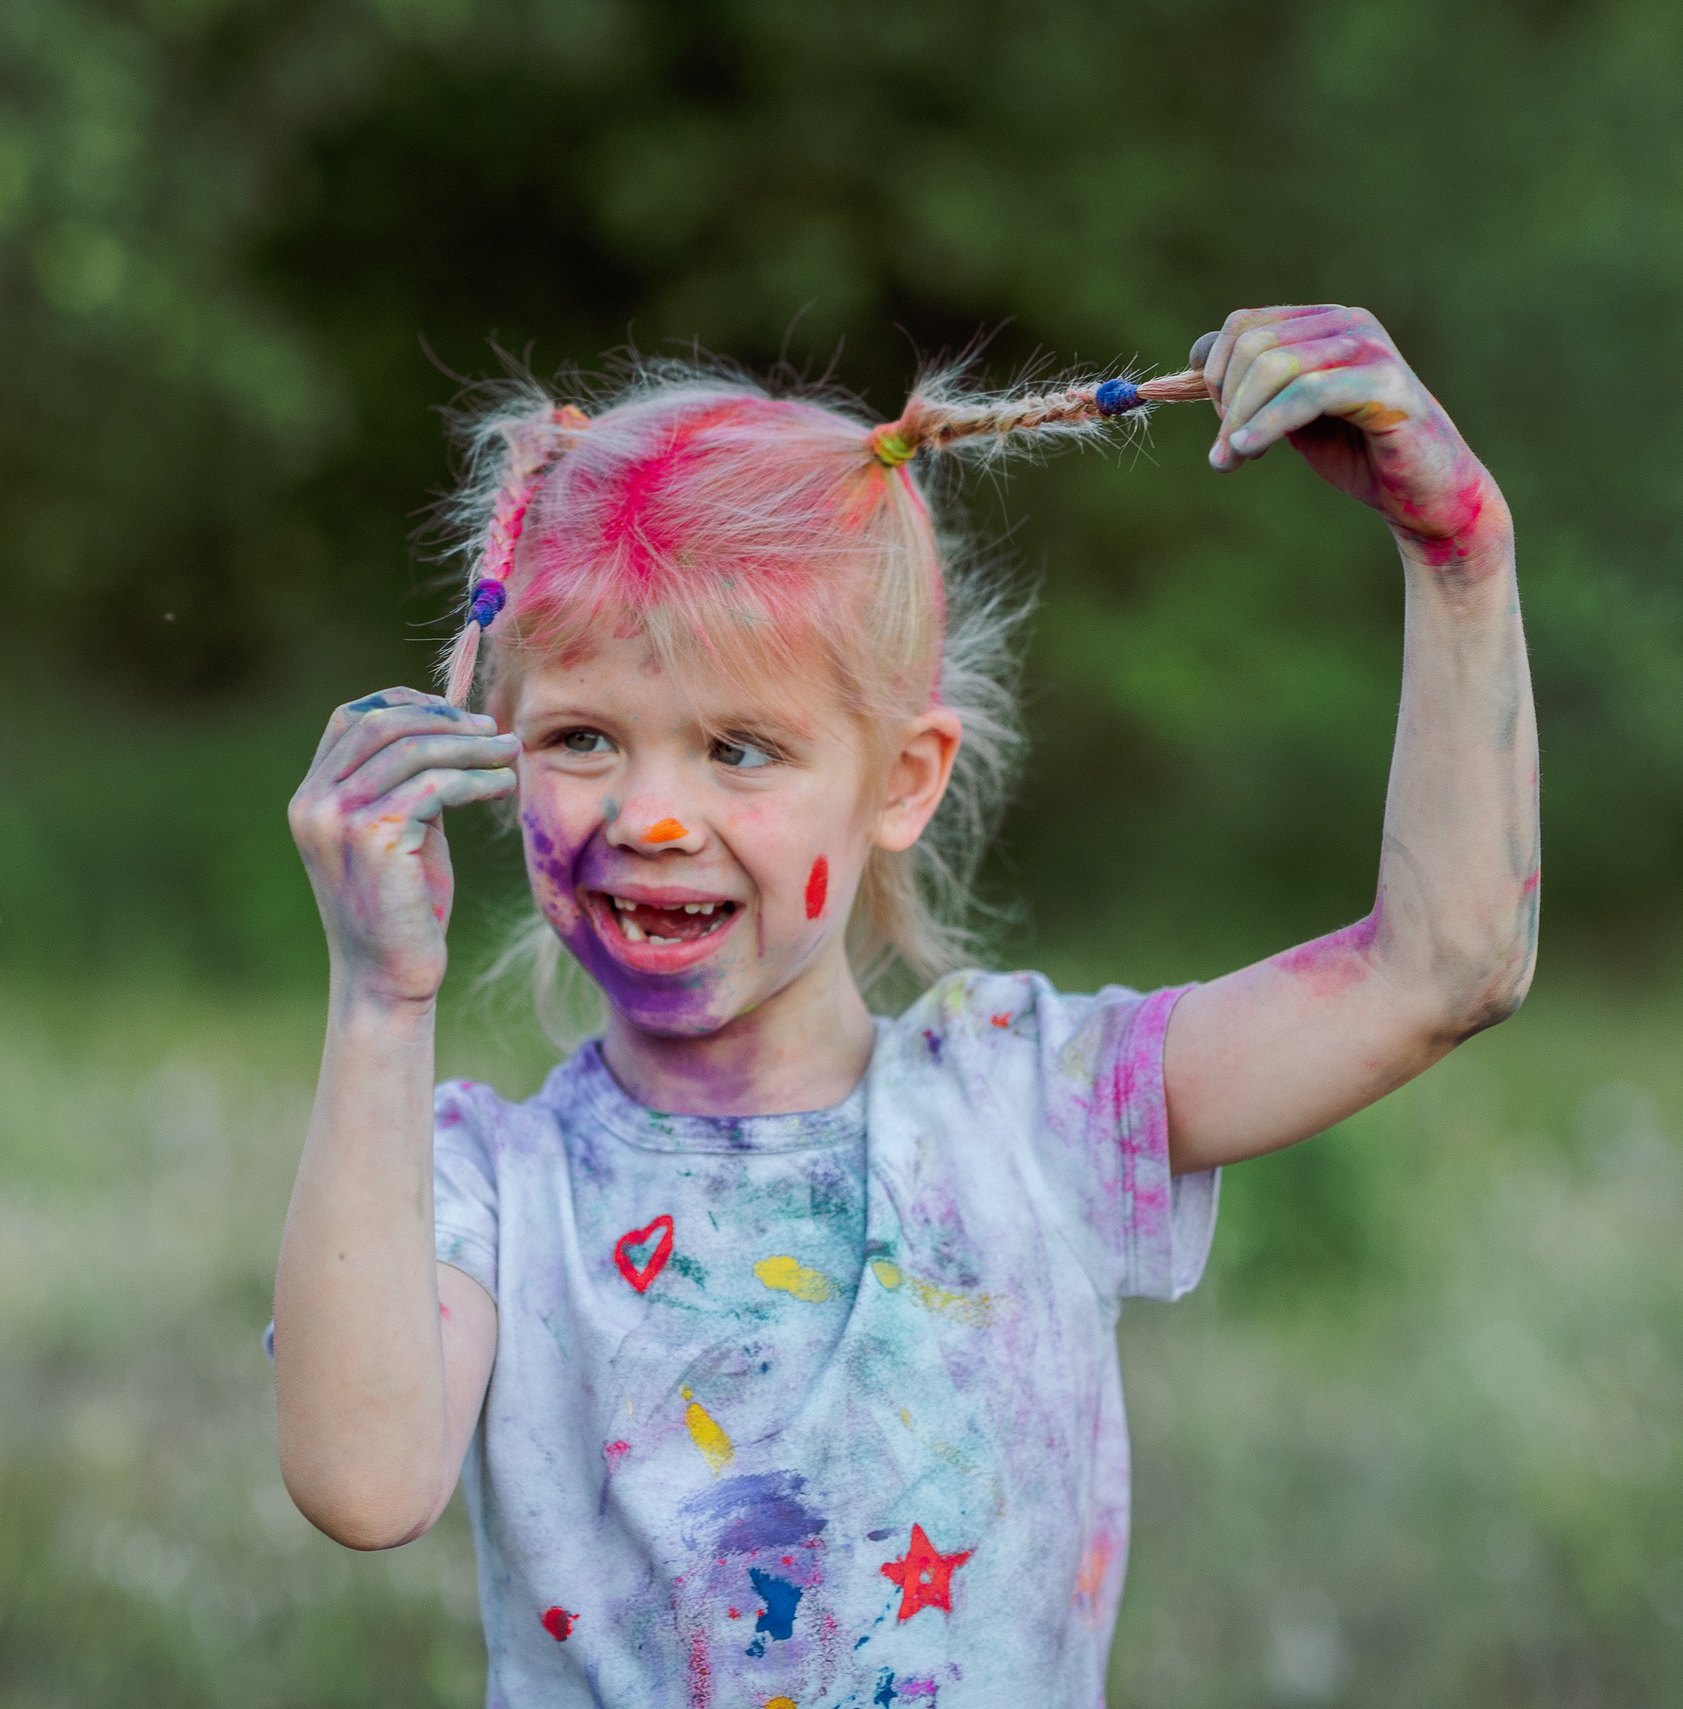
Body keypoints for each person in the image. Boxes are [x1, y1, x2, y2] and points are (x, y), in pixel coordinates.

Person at [272, 305, 1539, 1706]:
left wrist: (1461, 553)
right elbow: (365, 1483)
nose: (651, 813)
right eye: (581, 737)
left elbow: (1448, 965)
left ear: (902, 779)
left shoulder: (1032, 1105)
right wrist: (380, 1002)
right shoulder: (490, 1190)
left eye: (738, 746)